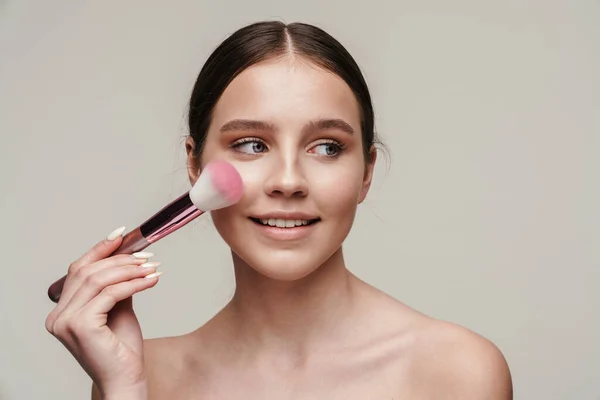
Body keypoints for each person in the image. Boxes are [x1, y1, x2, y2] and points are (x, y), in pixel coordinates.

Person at [45, 21, 513, 399]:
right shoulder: (148, 377)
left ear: (367, 171)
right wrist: (124, 391)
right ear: (195, 164)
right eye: (251, 144)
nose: (288, 181)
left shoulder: (456, 373)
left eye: (327, 147)